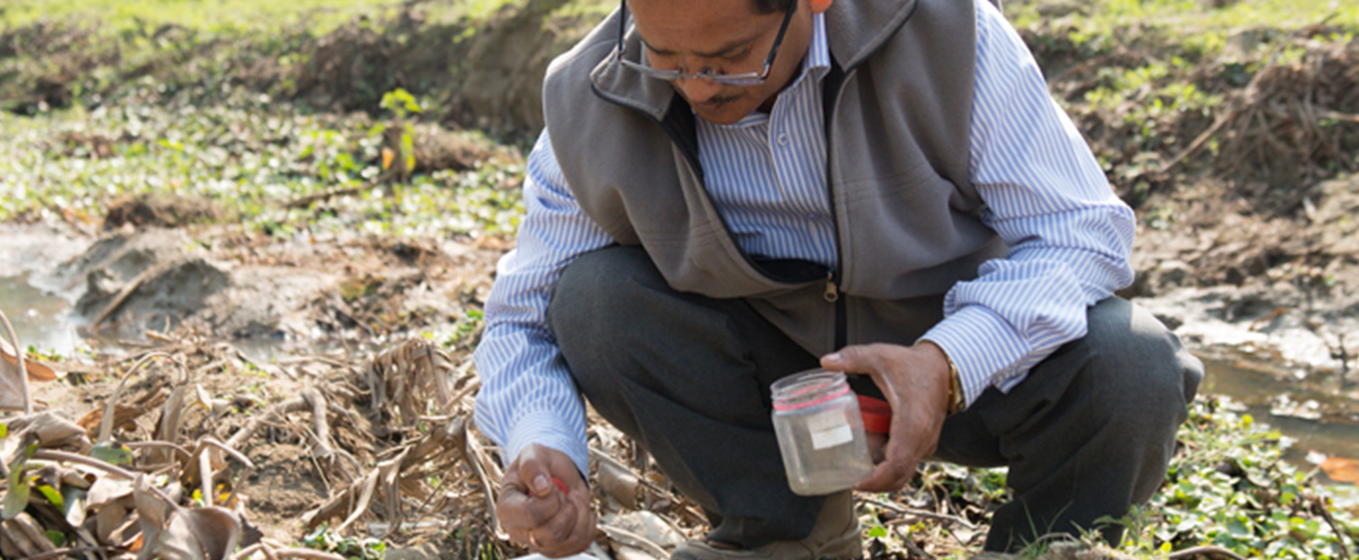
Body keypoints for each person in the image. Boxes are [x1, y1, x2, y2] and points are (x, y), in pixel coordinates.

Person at [472, 0, 1205, 556]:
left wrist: (948, 360)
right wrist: (543, 449)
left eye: (730, 59)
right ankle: (786, 540)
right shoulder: (594, 92)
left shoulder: (944, 35)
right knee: (596, 298)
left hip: (970, 371)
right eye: (666, 59)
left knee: (1133, 363)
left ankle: (1047, 544)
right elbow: (523, 317)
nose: (696, 90)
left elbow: (1081, 230)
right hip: (771, 388)